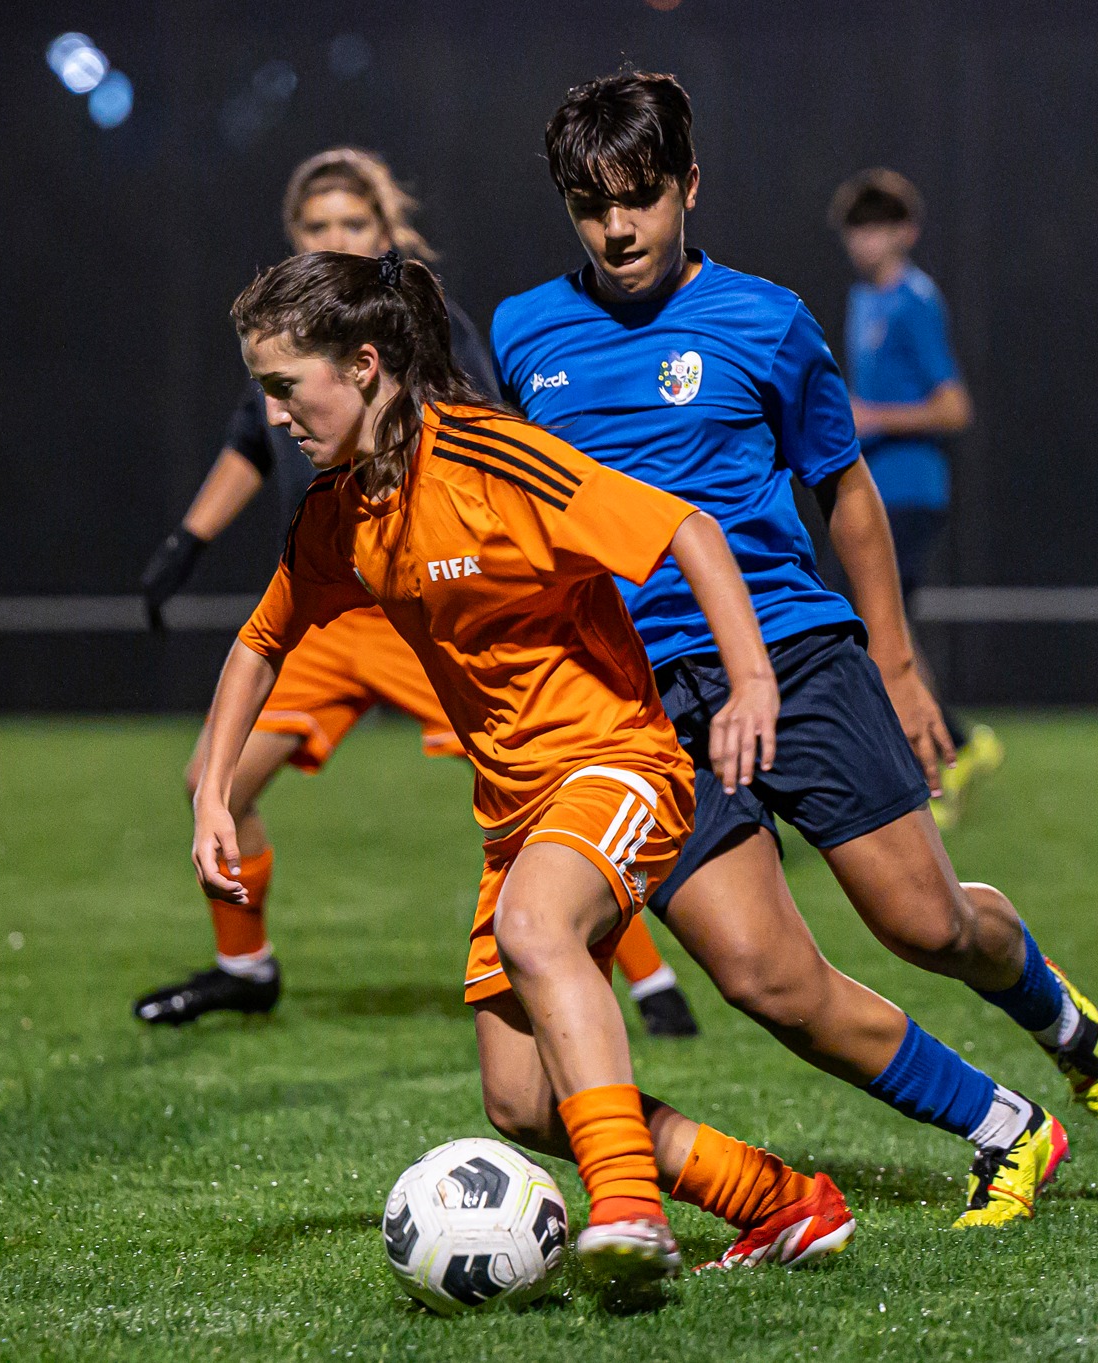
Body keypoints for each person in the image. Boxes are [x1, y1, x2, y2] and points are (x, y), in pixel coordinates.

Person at [493, 71, 1098, 1228]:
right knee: (764, 978)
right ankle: (1006, 1130)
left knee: (923, 922)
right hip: (641, 708)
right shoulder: (522, 333)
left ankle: (1065, 1024)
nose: (617, 227)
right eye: (590, 204)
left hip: (794, 657)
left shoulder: (766, 319)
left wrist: (897, 671)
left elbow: (844, 493)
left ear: (688, 187)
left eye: (640, 197)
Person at [200, 248, 852, 1284]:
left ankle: (630, 1213)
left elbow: (683, 527)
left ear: (364, 365)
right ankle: (775, 1199)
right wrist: (210, 794)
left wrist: (752, 681)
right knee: (520, 1103)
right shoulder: (339, 513)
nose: (275, 413)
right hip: (514, 814)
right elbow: (260, 639)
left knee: (537, 925)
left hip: (618, 761)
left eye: (285, 385)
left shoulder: (496, 461)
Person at [134, 148, 700, 1036]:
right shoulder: (292, 366)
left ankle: (646, 974)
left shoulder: (418, 346)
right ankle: (245, 966)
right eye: (315, 228)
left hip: (427, 602)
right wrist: (187, 541)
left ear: (385, 236)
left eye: (351, 225)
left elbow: (492, 436)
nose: (332, 238)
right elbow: (251, 445)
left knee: (537, 770)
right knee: (214, 776)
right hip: (333, 595)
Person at [829, 167, 1002, 828]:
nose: (865, 242)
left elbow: (954, 407)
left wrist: (872, 416)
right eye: (856, 230)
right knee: (880, 625)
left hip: (911, 492)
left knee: (878, 626)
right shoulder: (862, 300)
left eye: (877, 227)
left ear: (907, 231)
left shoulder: (914, 301)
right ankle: (951, 746)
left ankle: (947, 752)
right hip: (871, 492)